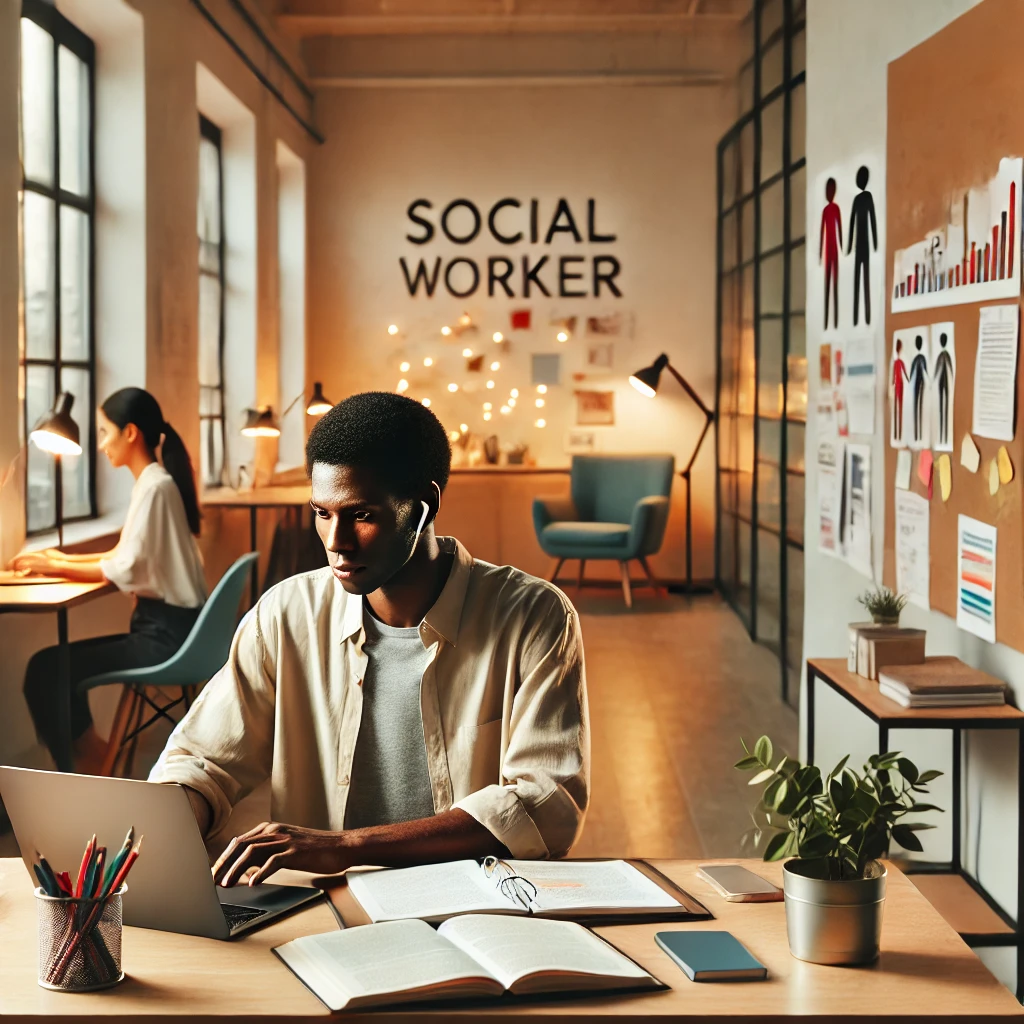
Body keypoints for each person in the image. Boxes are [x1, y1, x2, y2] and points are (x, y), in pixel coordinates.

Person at [150, 392, 589, 885]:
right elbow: (202, 761)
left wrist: (346, 847)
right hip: (325, 905)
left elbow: (546, 805)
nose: (335, 542)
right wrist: (167, 821)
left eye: (362, 515)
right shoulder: (285, 614)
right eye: (322, 513)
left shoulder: (534, 616)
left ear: (425, 506)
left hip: (474, 901)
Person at [12, 388, 206, 774]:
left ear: (130, 433)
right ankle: (91, 758)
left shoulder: (155, 488)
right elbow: (122, 556)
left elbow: (123, 569)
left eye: (104, 432)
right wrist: (59, 559)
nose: (101, 445)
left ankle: (88, 763)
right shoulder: (154, 484)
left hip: (165, 638)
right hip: (174, 630)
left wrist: (53, 567)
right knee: (50, 667)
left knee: (46, 669)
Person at [819, 177, 842, 330]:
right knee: (828, 285)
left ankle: (834, 321)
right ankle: (827, 321)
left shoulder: (834, 209)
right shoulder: (826, 211)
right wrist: (820, 252)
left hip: (833, 251)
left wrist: (842, 245)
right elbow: (822, 231)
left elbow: (839, 227)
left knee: (834, 285)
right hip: (828, 251)